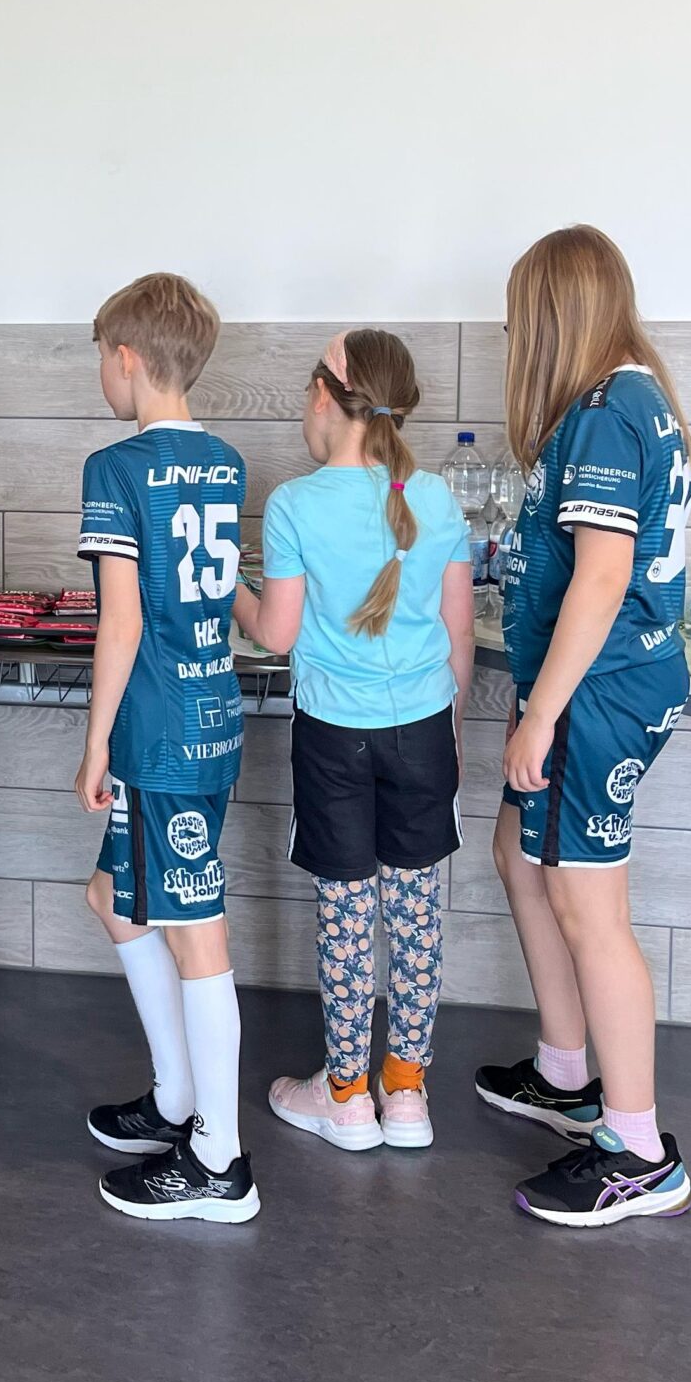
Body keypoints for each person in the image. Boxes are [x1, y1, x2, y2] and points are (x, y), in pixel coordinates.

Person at [479, 224, 691, 1227]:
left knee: (590, 912)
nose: (515, 339)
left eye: (521, 320)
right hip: (592, 690)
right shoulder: (624, 403)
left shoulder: (610, 414)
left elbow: (603, 579)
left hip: (595, 697)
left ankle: (639, 1149)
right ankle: (565, 1072)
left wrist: (541, 714)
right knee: (517, 856)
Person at [233, 331, 472, 1152]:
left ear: (325, 398)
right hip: (424, 733)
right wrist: (452, 731)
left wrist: (230, 585)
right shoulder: (436, 498)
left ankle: (345, 1097)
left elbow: (274, 633)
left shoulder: (295, 505)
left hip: (335, 738)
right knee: (416, 912)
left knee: (347, 915)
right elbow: (459, 636)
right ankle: (405, 1094)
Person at [73, 272, 257, 1223]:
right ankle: (178, 1099)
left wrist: (96, 740)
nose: (100, 376)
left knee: (196, 935)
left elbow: (123, 620)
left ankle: (220, 1163)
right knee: (112, 898)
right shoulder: (224, 461)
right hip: (213, 713)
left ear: (128, 359)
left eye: (100, 359)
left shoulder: (115, 468)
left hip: (157, 734)